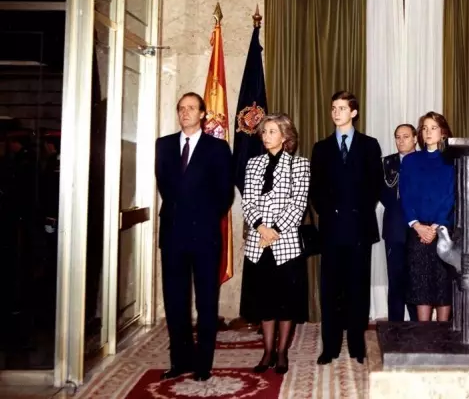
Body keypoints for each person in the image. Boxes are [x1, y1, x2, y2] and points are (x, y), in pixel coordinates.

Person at [155, 92, 233, 381]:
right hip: (173, 234)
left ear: (203, 114)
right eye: (181, 108)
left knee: (206, 302)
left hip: (204, 235)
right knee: (175, 301)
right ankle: (180, 360)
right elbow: (165, 187)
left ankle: (203, 364)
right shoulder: (162, 146)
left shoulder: (217, 148)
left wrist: (200, 216)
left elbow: (224, 194)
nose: (185, 112)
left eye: (191, 108)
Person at [310, 91, 382, 365]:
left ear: (353, 113)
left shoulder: (369, 145)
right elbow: (315, 190)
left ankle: (356, 346)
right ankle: (330, 347)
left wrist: (354, 211)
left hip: (359, 228)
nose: (336, 113)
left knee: (357, 289)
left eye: (342, 108)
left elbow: (374, 186)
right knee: (331, 290)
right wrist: (330, 211)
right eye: (333, 108)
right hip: (331, 228)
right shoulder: (321, 148)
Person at [240, 113, 310, 375]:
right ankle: (267, 350)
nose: (266, 136)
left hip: (285, 243)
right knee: (264, 301)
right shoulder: (253, 164)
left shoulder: (299, 164)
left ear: (285, 136)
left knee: (285, 302)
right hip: (259, 244)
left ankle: (282, 353)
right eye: (264, 132)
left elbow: (298, 203)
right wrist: (260, 227)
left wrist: (275, 231)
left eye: (272, 131)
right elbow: (248, 201)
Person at [400, 112, 455, 322]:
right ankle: (424, 335)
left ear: (443, 132)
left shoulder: (452, 159)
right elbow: (405, 195)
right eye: (424, 128)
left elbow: (451, 195)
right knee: (421, 284)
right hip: (418, 231)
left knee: (443, 284)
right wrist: (417, 226)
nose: (428, 132)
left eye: (433, 127)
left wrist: (435, 227)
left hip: (443, 230)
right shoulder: (411, 160)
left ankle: (442, 335)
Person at [379, 124, 419, 322]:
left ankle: (417, 327)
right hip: (395, 227)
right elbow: (383, 195)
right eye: (397, 137)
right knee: (395, 280)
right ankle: (395, 327)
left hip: (419, 229)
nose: (401, 141)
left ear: (415, 139)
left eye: (405, 136)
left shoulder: (423, 161)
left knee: (416, 280)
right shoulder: (386, 163)